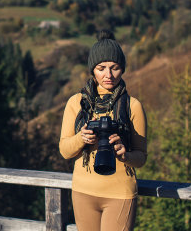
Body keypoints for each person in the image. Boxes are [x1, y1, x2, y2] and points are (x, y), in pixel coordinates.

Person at [59, 30, 147, 231]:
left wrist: (125, 154)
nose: (108, 75)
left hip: (120, 192)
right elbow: (65, 151)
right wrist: (82, 138)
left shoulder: (132, 106)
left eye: (115, 68)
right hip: (83, 191)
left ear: (122, 69)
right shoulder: (76, 103)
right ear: (92, 70)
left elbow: (141, 158)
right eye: (101, 68)